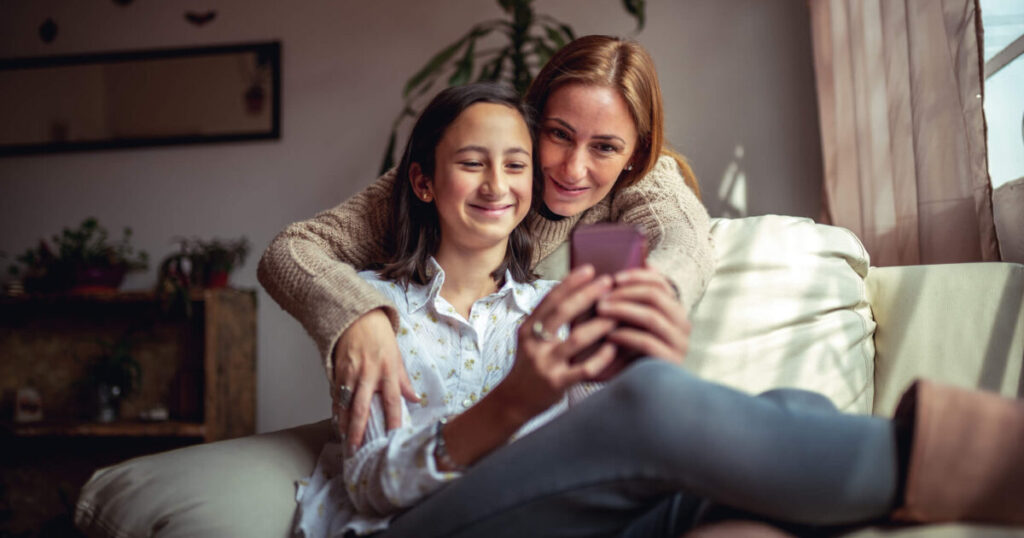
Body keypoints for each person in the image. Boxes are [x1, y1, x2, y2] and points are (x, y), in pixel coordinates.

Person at [289, 83, 1024, 538]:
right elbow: (371, 483)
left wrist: (646, 359)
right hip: (419, 526)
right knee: (658, 410)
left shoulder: (548, 307)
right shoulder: (374, 312)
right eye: (471, 162)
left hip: (563, 518)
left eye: (515, 164)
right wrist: (515, 402)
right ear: (422, 181)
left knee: (765, 465)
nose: (498, 184)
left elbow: (612, 435)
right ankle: (991, 461)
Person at [257, 35, 710, 451]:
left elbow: (684, 242)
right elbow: (293, 249)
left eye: (606, 148)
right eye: (558, 134)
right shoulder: (462, 176)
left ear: (634, 155)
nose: (573, 169)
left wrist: (655, 299)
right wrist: (359, 315)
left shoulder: (642, 180)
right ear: (530, 124)